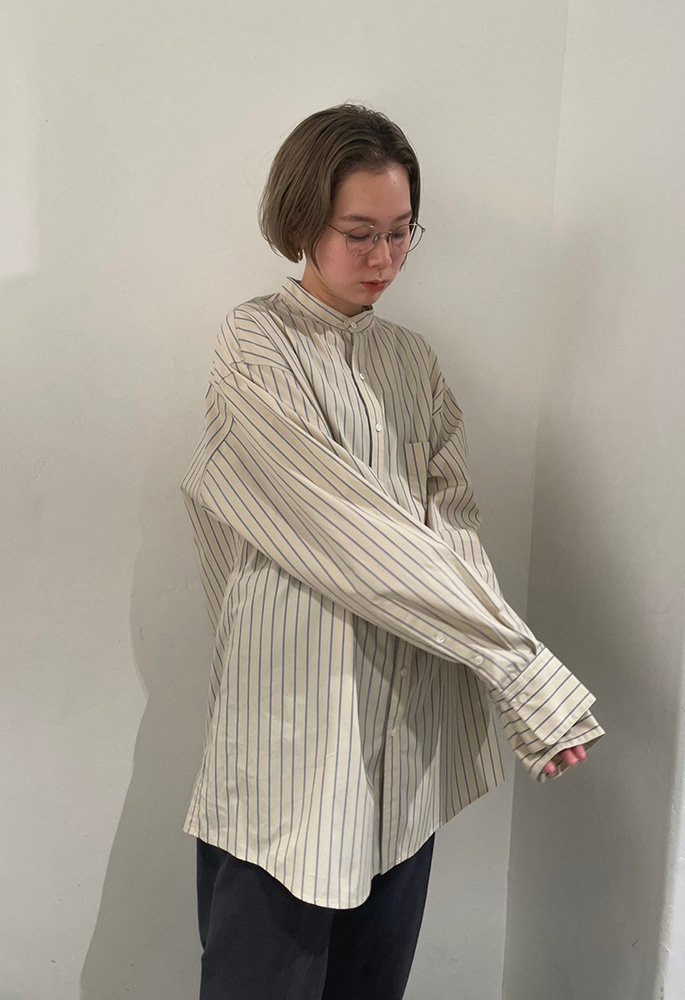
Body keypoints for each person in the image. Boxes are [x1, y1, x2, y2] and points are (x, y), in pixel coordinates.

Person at [181, 102, 605, 1000]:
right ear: (302, 221)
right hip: (293, 747)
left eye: (402, 231)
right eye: (359, 233)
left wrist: (511, 670)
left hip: (403, 748)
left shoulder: (415, 363)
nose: (384, 257)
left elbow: (455, 531)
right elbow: (352, 533)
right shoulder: (255, 343)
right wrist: (520, 668)